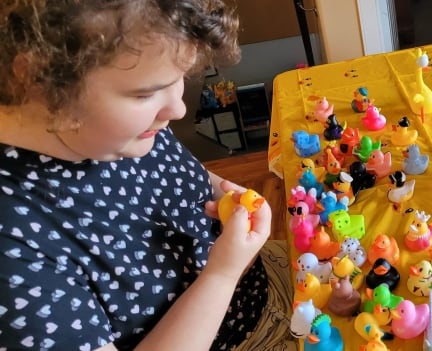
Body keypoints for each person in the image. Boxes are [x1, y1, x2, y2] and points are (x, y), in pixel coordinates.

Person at [0, 1, 277, 350]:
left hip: (265, 290)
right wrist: (222, 275)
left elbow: (181, 173)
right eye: (146, 93)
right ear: (39, 81)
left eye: (179, 79)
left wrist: (222, 195)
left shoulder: (120, 130)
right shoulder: (12, 246)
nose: (177, 109)